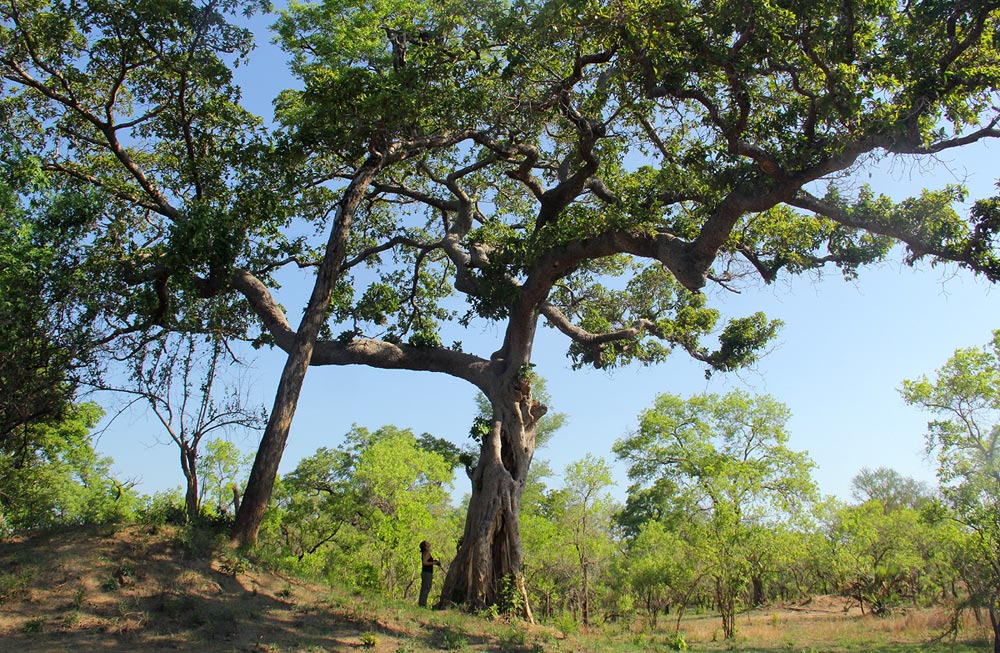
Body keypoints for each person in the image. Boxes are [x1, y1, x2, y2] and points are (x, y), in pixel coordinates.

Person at [418, 540, 441, 607]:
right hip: (427, 573)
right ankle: (422, 604)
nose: (428, 542)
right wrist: (434, 563)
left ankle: (422, 603)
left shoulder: (426, 553)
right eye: (426, 543)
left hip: (426, 572)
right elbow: (425, 562)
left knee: (424, 587)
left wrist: (434, 561)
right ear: (425, 546)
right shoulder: (426, 552)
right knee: (426, 587)